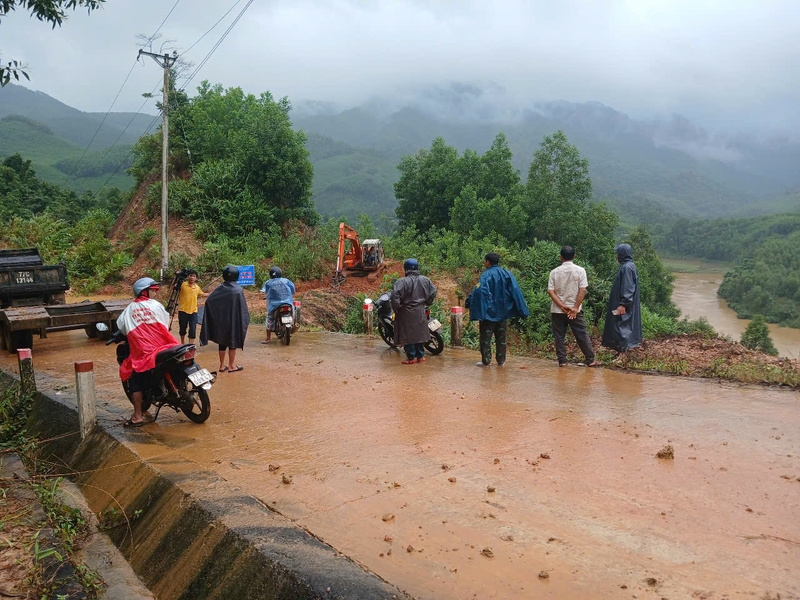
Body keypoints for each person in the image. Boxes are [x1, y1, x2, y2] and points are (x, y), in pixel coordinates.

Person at [116, 277, 179, 427]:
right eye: (153, 290)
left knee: (135, 380)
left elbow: (122, 328)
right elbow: (164, 322)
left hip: (145, 351)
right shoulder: (156, 305)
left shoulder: (129, 309)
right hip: (167, 345)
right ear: (144, 291)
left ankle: (137, 416)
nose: (155, 293)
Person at [466, 252, 530, 367]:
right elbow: (515, 291)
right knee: (501, 337)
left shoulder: (485, 275)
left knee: (486, 338)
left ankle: (486, 361)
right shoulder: (507, 274)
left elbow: (480, 292)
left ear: (487, 262)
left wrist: (474, 304)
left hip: (489, 313)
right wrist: (522, 310)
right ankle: (501, 361)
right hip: (503, 313)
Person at [547, 246, 599, 367]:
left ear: (561, 257)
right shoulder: (580, 271)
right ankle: (590, 360)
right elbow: (582, 290)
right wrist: (575, 308)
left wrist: (562, 306)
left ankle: (562, 361)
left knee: (559, 336)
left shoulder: (554, 272)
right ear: (574, 256)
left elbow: (550, 291)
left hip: (557, 310)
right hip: (575, 310)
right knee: (581, 334)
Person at [200, 265, 250, 372]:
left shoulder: (220, 288)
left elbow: (209, 301)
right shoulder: (238, 290)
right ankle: (231, 365)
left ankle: (222, 366)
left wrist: (216, 314)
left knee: (222, 342)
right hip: (233, 321)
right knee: (232, 342)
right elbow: (242, 308)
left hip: (222, 321)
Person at [390, 258, 437, 364]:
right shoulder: (425, 280)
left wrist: (397, 308)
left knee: (407, 335)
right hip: (420, 310)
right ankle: (420, 356)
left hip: (406, 311)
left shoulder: (401, 282)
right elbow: (433, 291)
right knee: (419, 334)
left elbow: (394, 297)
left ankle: (411, 358)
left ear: (405, 269)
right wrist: (427, 302)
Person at [602, 243, 642, 354]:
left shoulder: (627, 268)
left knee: (622, 327)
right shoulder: (630, 266)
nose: (616, 256)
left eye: (618, 254)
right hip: (624, 303)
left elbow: (628, 287)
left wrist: (623, 304)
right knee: (621, 326)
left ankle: (623, 352)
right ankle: (620, 351)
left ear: (622, 254)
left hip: (623, 305)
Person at [260, 266, 296, 344]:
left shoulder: (268, 282)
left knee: (270, 318)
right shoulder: (286, 281)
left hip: (274, 305)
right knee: (293, 311)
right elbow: (293, 290)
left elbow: (265, 291)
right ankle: (293, 323)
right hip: (287, 302)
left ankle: (268, 338)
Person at [177, 269, 207, 344]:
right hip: (183, 310)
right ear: (188, 277)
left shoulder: (197, 288)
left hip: (193, 312)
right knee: (182, 329)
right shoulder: (183, 284)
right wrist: (177, 277)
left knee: (193, 329)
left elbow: (203, 294)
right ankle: (182, 343)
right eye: (190, 275)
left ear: (196, 278)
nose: (192, 277)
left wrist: (214, 293)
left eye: (194, 276)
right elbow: (174, 288)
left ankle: (190, 345)